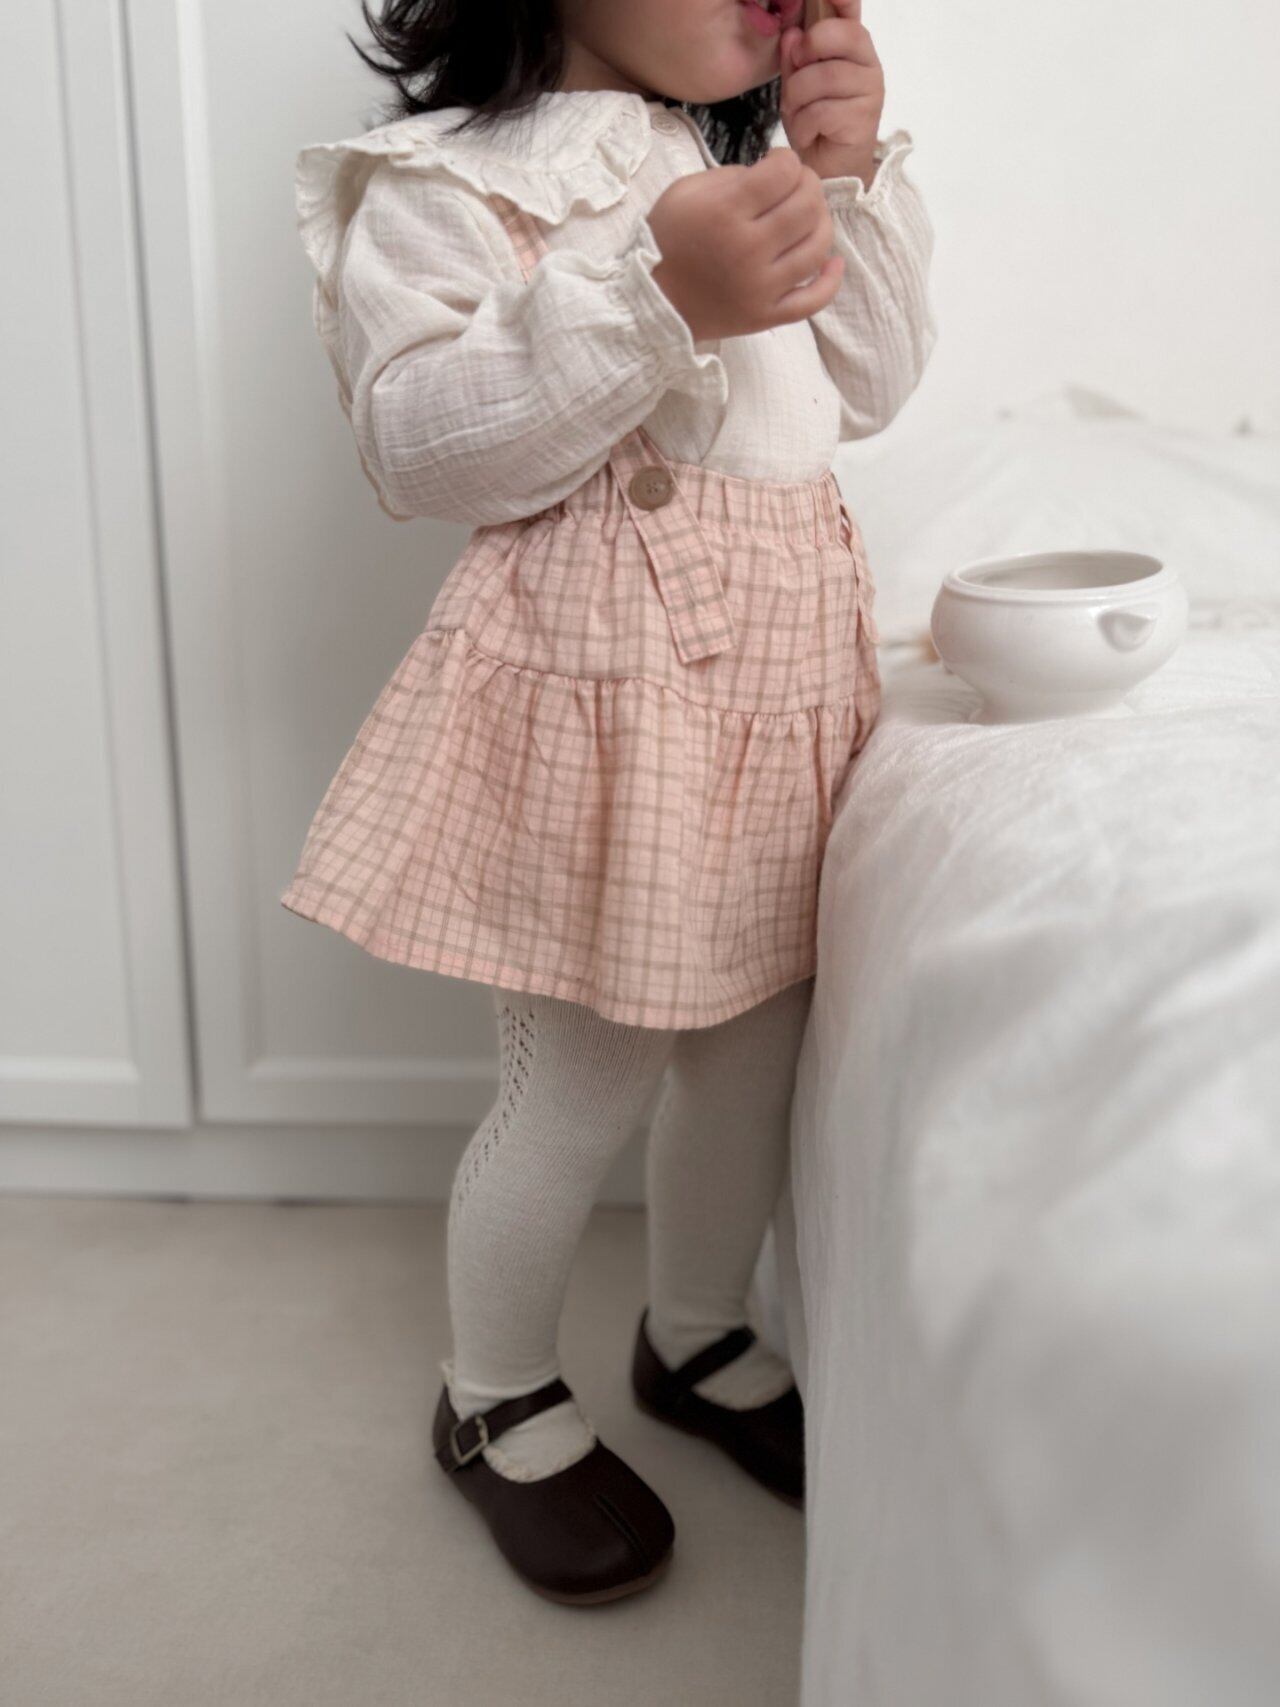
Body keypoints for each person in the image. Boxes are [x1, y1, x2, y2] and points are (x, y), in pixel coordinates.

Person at [281, 0, 935, 1604]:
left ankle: (692, 1330)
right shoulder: (456, 179)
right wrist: (654, 295)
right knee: (582, 1077)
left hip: (774, 690)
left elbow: (871, 385)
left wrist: (845, 174)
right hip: (607, 701)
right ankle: (493, 1389)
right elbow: (422, 446)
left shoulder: (744, 161)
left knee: (753, 1058)